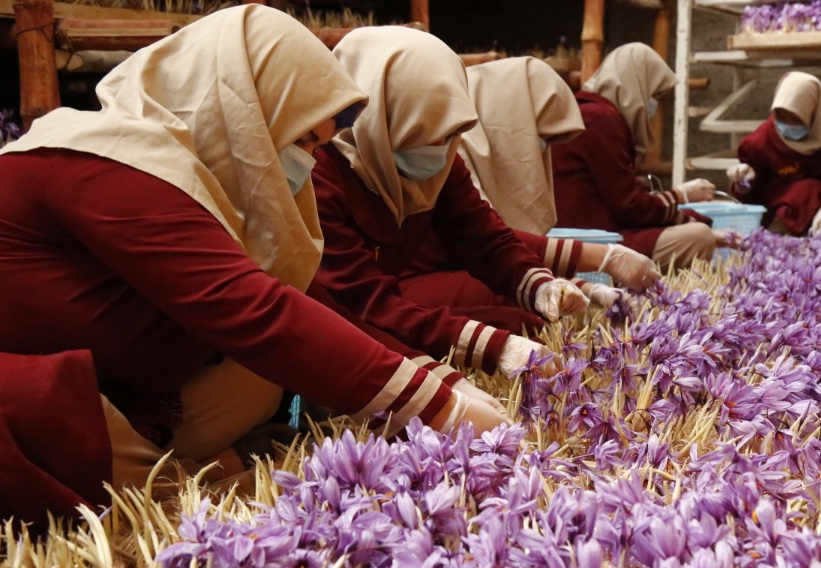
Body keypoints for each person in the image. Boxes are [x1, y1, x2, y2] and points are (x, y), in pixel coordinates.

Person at [0, 6, 506, 535]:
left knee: (257, 378)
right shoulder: (111, 164)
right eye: (300, 141)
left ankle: (175, 473)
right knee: (28, 410)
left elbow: (301, 297)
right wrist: (440, 410)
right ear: (239, 112)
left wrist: (439, 376)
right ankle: (166, 489)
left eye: (317, 146)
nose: (306, 161)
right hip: (11, 375)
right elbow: (258, 310)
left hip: (109, 376)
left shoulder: (194, 176)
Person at [311, 26, 619, 381]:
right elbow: (359, 303)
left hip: (387, 306)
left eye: (451, 133)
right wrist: (493, 350)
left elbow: (483, 237)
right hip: (336, 321)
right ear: (381, 117)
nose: (441, 147)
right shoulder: (321, 174)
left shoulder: (440, 160)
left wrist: (538, 285)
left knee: (523, 324)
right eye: (425, 133)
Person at [458, 56, 661, 306]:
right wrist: (602, 257)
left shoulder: (474, 152)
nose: (539, 152)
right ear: (509, 120)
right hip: (604, 231)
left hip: (596, 235)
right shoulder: (455, 155)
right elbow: (485, 242)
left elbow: (498, 249)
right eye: (536, 137)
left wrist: (584, 286)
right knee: (517, 305)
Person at [551, 43, 728, 268]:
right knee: (699, 237)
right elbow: (630, 207)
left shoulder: (589, 112)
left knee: (698, 231)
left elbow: (622, 197)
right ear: (636, 87)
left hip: (592, 230)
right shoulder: (601, 119)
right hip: (592, 240)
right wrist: (681, 196)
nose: (651, 105)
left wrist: (688, 215)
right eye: (651, 94)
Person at [727, 71, 821, 235]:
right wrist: (746, 180)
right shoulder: (759, 141)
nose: (787, 125)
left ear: (814, 114)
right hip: (790, 203)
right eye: (781, 116)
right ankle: (794, 237)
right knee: (807, 189)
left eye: (795, 118)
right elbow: (750, 198)